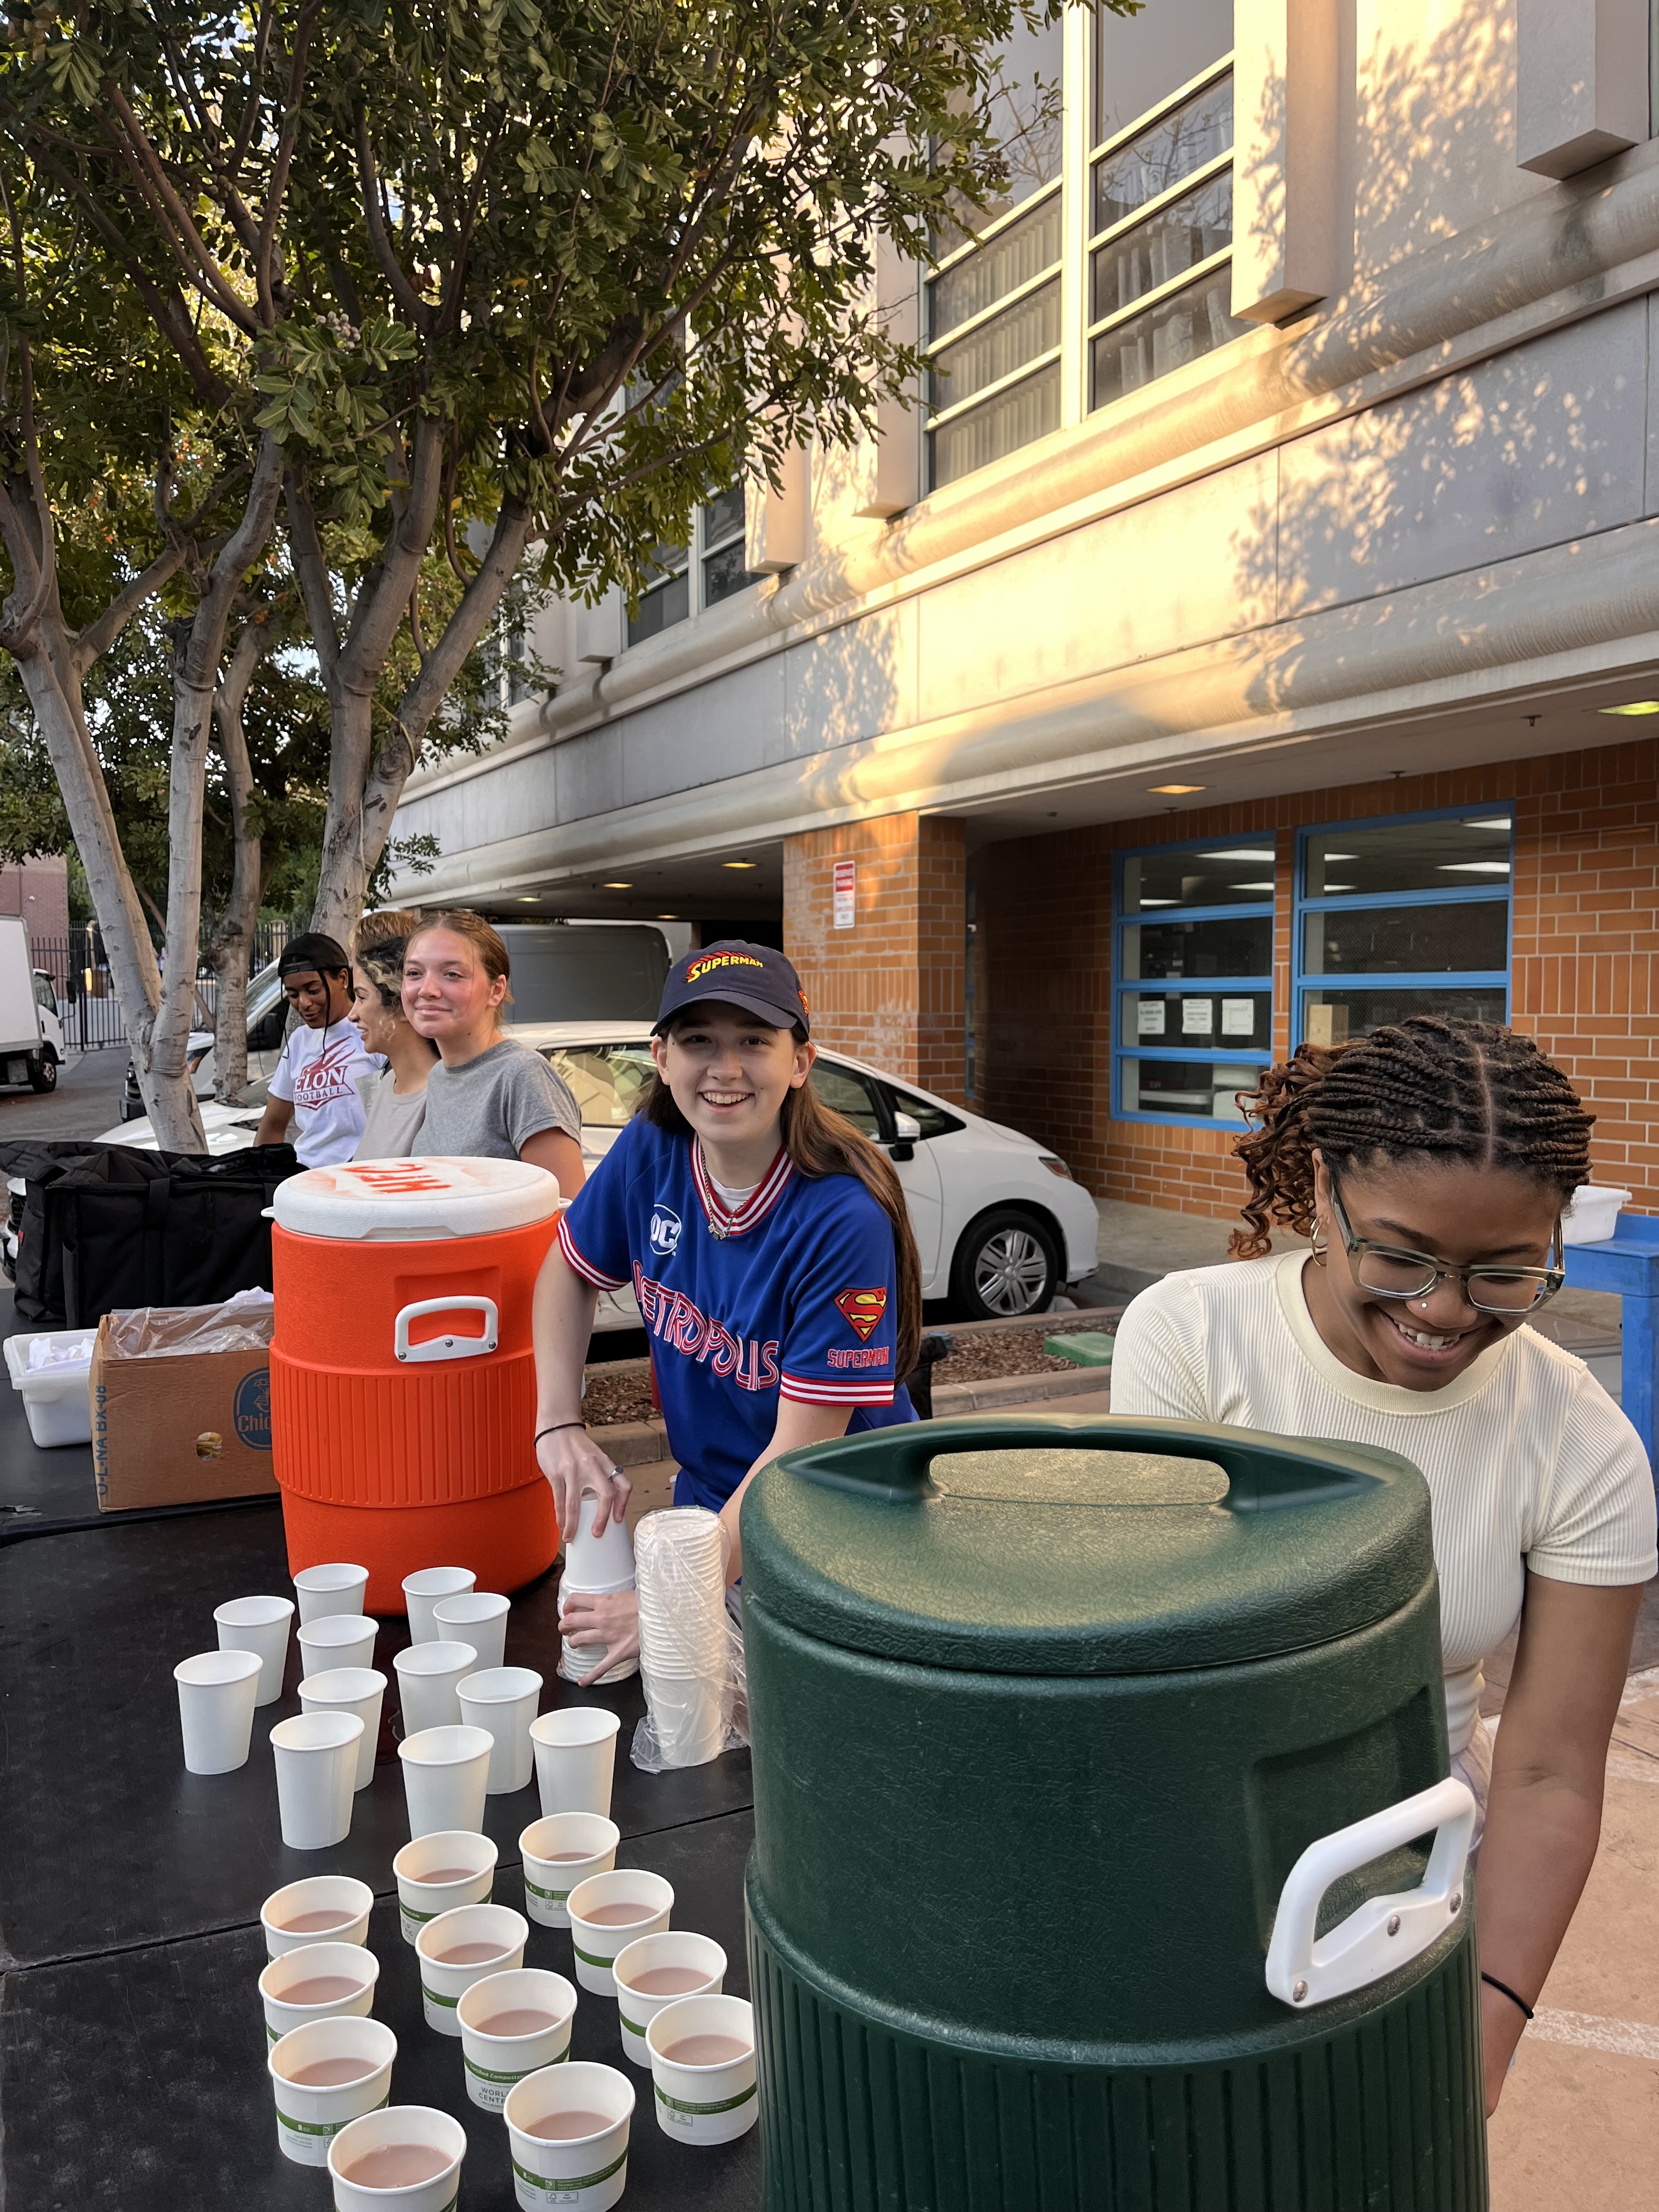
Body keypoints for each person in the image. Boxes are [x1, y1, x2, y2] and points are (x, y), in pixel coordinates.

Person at [1109, 1015, 1655, 2113]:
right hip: (1186, 1833)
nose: (1446, 1309)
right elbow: (1145, 1662)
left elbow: (1549, 1776)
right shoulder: (1191, 1340)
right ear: (1323, 1192)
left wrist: (1490, 2018)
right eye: (1400, 1256)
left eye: (1506, 1274)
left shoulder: (1578, 1437)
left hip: (1419, 1868)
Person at [532, 941, 922, 1678]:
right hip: (714, 1514)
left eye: (753, 1041)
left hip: (845, 1536)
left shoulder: (842, 1215)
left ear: (801, 1062)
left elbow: (799, 1458)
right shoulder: (652, 1148)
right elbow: (565, 1268)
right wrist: (559, 1424)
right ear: (661, 1057)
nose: (726, 1068)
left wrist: (670, 1596)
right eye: (699, 1041)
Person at [402, 910, 584, 1195]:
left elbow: (567, 1214)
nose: (427, 989)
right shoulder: (440, 1075)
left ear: (496, 990)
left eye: (452, 974)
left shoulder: (523, 1076)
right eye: (414, 973)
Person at [253, 933, 375, 1166]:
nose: (304, 1003)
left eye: (313, 990)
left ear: (343, 979)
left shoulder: (371, 1032)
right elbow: (273, 1124)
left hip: (358, 1179)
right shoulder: (298, 1041)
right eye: (293, 994)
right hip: (305, 1179)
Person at [348, 910, 438, 1160]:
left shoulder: (440, 1099)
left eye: (361, 997)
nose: (352, 1014)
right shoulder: (388, 1084)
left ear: (401, 1002)